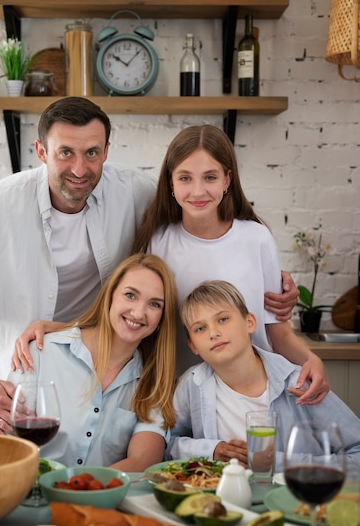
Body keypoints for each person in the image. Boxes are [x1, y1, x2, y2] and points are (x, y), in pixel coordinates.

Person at [0, 97, 156, 435]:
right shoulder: (1, 204)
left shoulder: (135, 193)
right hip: (22, 389)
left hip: (105, 386)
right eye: (65, 152)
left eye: (92, 153)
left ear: (106, 151)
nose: (80, 169)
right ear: (41, 152)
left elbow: (192, 223)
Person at [132, 125, 329, 403]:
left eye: (210, 177)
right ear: (170, 183)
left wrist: (311, 359)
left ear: (227, 180)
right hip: (182, 396)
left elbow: (276, 331)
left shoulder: (256, 239)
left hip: (256, 394)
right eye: (185, 178)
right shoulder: (158, 243)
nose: (198, 191)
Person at [8, 253, 178, 471]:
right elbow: (6, 440)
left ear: (163, 316)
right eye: (130, 295)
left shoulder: (154, 383)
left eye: (154, 304)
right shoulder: (41, 352)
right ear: (110, 296)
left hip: (103, 500)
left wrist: (81, 489)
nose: (138, 312)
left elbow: (143, 462)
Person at [166, 280, 360, 468]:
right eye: (200, 328)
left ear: (249, 322)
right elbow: (166, 443)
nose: (213, 333)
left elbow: (356, 451)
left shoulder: (299, 383)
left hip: (294, 497)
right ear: (193, 346)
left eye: (223, 319)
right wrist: (210, 451)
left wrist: (280, 463)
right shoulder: (192, 384)